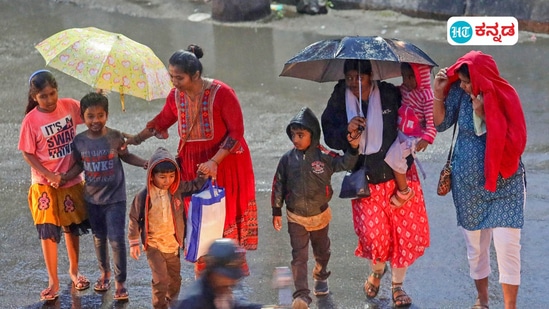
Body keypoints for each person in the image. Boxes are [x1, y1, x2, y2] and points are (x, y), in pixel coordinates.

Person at [123, 44, 258, 277]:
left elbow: (236, 132)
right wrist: (135, 139)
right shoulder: (176, 96)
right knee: (198, 215)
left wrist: (215, 161)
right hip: (192, 165)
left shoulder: (222, 92)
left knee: (223, 212)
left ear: (195, 75)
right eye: (171, 76)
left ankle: (229, 267)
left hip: (225, 162)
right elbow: (163, 120)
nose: (174, 82)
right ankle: (205, 266)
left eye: (179, 77)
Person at [320, 59, 430, 307]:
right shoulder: (339, 97)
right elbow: (329, 132)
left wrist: (435, 100)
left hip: (397, 175)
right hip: (365, 180)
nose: (353, 83)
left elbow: (417, 112)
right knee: (374, 237)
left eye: (359, 78)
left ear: (371, 77)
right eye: (349, 78)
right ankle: (377, 273)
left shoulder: (391, 94)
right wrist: (348, 132)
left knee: (402, 236)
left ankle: (398, 286)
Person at [432, 51, 527, 309]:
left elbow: (517, 142)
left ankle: (510, 306)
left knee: (508, 248)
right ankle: (482, 300)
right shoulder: (460, 95)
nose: (463, 86)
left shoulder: (505, 95)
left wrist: (486, 114)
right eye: (461, 81)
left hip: (505, 184)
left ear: (482, 78)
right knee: (476, 248)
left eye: (467, 82)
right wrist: (439, 94)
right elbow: (440, 125)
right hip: (468, 186)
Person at [271, 107, 360, 309]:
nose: (296, 139)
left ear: (313, 133)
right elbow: (278, 184)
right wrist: (276, 210)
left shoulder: (324, 156)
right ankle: (301, 295)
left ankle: (321, 274)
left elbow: (345, 163)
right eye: (293, 134)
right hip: (296, 216)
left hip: (320, 214)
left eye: (300, 135)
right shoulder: (287, 159)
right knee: (299, 256)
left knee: (322, 251)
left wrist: (353, 148)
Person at [62, 92, 148, 301]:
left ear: (107, 115)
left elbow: (126, 156)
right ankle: (105, 274)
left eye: (100, 115)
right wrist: (64, 178)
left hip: (115, 198)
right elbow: (79, 165)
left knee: (117, 240)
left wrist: (145, 163)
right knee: (99, 238)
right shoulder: (79, 141)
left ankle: (120, 282)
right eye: (90, 116)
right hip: (92, 199)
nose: (95, 120)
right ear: (83, 116)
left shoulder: (115, 136)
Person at [18, 70, 91, 301]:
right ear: (34, 97)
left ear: (57, 90)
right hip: (44, 183)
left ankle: (74, 271)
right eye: (43, 96)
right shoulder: (31, 120)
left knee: (71, 228)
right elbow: (28, 154)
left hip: (70, 179)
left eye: (52, 93)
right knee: (48, 231)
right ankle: (53, 280)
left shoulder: (69, 106)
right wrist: (48, 174)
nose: (49, 100)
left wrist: (97, 97)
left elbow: (89, 114)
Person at [128, 147, 206, 309]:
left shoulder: (176, 190)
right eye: (162, 177)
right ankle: (159, 305)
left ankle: (172, 301)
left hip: (172, 245)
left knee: (175, 278)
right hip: (153, 245)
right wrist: (134, 241)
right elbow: (134, 218)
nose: (167, 181)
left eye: (171, 176)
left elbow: (194, 186)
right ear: (151, 176)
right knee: (160, 279)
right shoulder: (144, 196)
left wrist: (203, 176)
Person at [384, 62, 437, 206]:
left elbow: (432, 120)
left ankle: (405, 191)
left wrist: (427, 138)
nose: (406, 81)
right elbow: (396, 91)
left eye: (411, 77)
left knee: (394, 158)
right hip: (403, 129)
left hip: (415, 134)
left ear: (422, 77)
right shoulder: (405, 89)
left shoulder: (427, 95)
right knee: (392, 154)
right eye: (404, 77)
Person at [174, 238, 262, 309]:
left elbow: (237, 304)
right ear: (213, 271)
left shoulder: (221, 288)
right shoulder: (195, 302)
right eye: (227, 275)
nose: (231, 281)